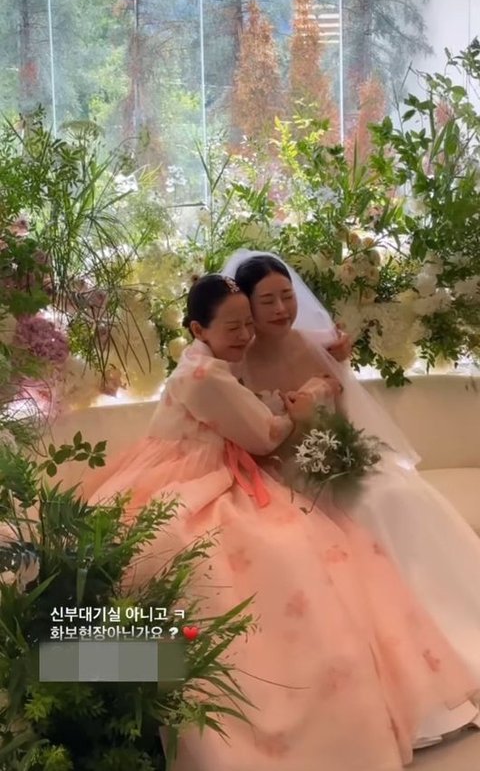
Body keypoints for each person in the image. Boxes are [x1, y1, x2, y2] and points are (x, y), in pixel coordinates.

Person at [84, 273, 479, 770]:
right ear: (198, 329)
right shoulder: (206, 377)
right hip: (201, 478)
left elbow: (254, 408)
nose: (246, 335)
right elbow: (264, 435)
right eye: (234, 326)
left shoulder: (202, 363)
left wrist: (317, 372)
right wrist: (303, 404)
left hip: (181, 471)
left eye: (248, 324)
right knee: (286, 551)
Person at [222, 249, 480, 743]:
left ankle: (459, 634)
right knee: (364, 512)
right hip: (278, 476)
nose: (281, 309)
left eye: (287, 296)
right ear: (246, 307)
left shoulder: (315, 346)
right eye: (267, 301)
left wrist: (337, 451)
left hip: (333, 458)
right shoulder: (234, 362)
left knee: (397, 494)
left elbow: (342, 420)